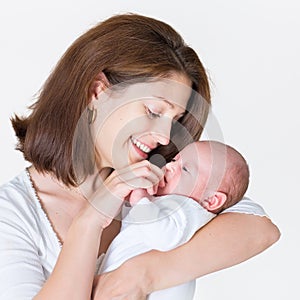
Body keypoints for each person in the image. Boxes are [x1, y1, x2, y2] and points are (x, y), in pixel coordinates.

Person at [0, 13, 279, 300]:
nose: (165, 138)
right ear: (98, 92)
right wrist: (89, 222)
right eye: (154, 112)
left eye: (175, 121)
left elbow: (260, 228)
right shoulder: (12, 214)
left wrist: (145, 274)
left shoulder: (163, 186)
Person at [98, 140, 250, 299]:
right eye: (174, 160)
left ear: (211, 200)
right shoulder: (168, 205)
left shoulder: (189, 210)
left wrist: (140, 200)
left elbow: (163, 237)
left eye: (185, 169)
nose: (169, 167)